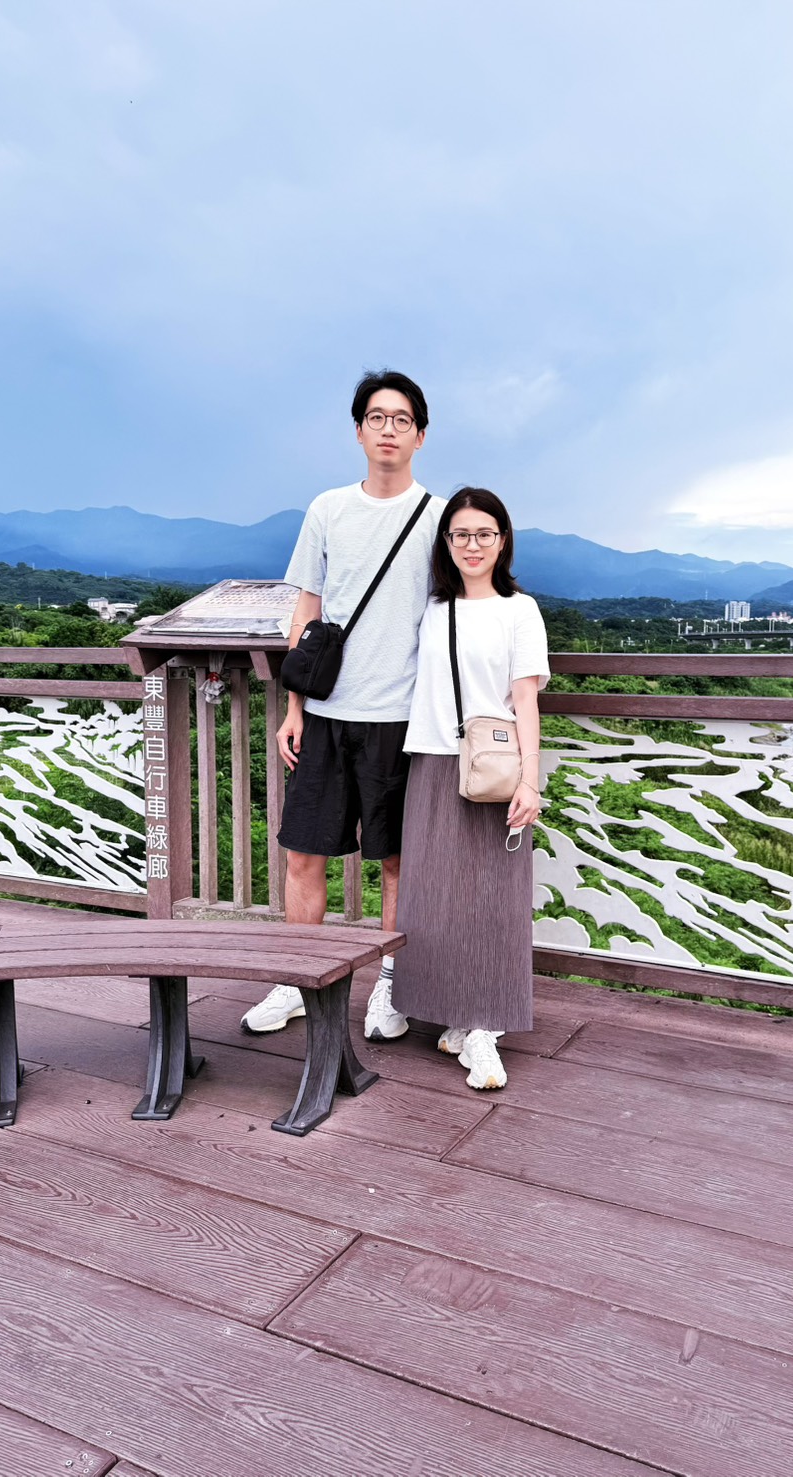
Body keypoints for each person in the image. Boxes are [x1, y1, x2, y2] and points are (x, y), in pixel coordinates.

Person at [240, 370, 445, 1039]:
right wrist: (294, 707)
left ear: (420, 433)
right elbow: (306, 612)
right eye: (377, 417)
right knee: (304, 854)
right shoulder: (327, 509)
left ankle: (391, 987)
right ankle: (301, 980)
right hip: (326, 715)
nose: (390, 428)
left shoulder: (439, 518)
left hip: (402, 720)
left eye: (402, 418)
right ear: (359, 430)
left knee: (397, 862)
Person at [392, 488, 549, 1089]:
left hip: (493, 766)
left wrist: (531, 781)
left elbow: (527, 701)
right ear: (446, 543)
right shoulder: (433, 610)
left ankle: (486, 1026)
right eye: (461, 535)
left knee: (492, 896)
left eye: (485, 533)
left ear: (503, 540)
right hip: (431, 759)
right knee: (431, 894)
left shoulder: (520, 609)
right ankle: (449, 1014)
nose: (473, 545)